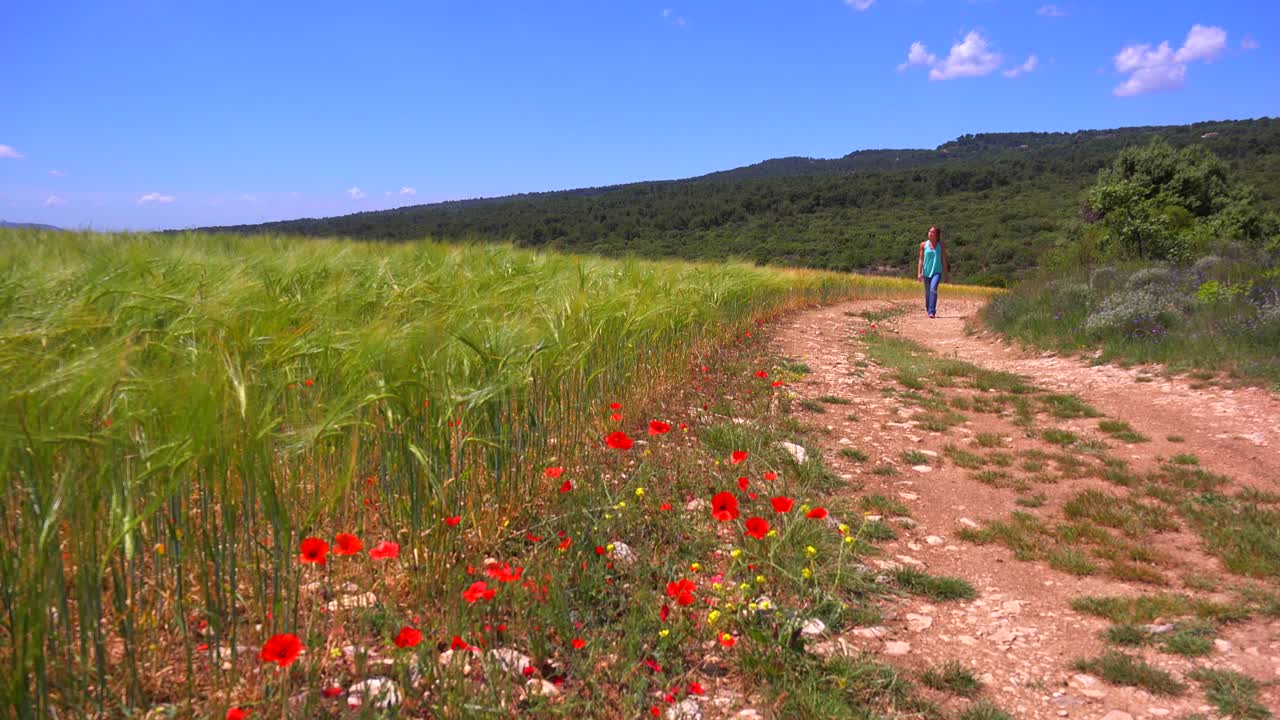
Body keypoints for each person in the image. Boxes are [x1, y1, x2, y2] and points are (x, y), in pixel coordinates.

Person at [916, 225, 948, 318]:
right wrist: (919, 273)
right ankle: (928, 308)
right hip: (926, 272)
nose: (930, 233)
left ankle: (932, 311)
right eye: (929, 231)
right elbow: (921, 259)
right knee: (927, 292)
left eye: (933, 232)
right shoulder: (923, 245)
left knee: (933, 290)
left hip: (937, 271)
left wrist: (946, 275)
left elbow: (944, 260)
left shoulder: (941, 245)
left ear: (937, 235)